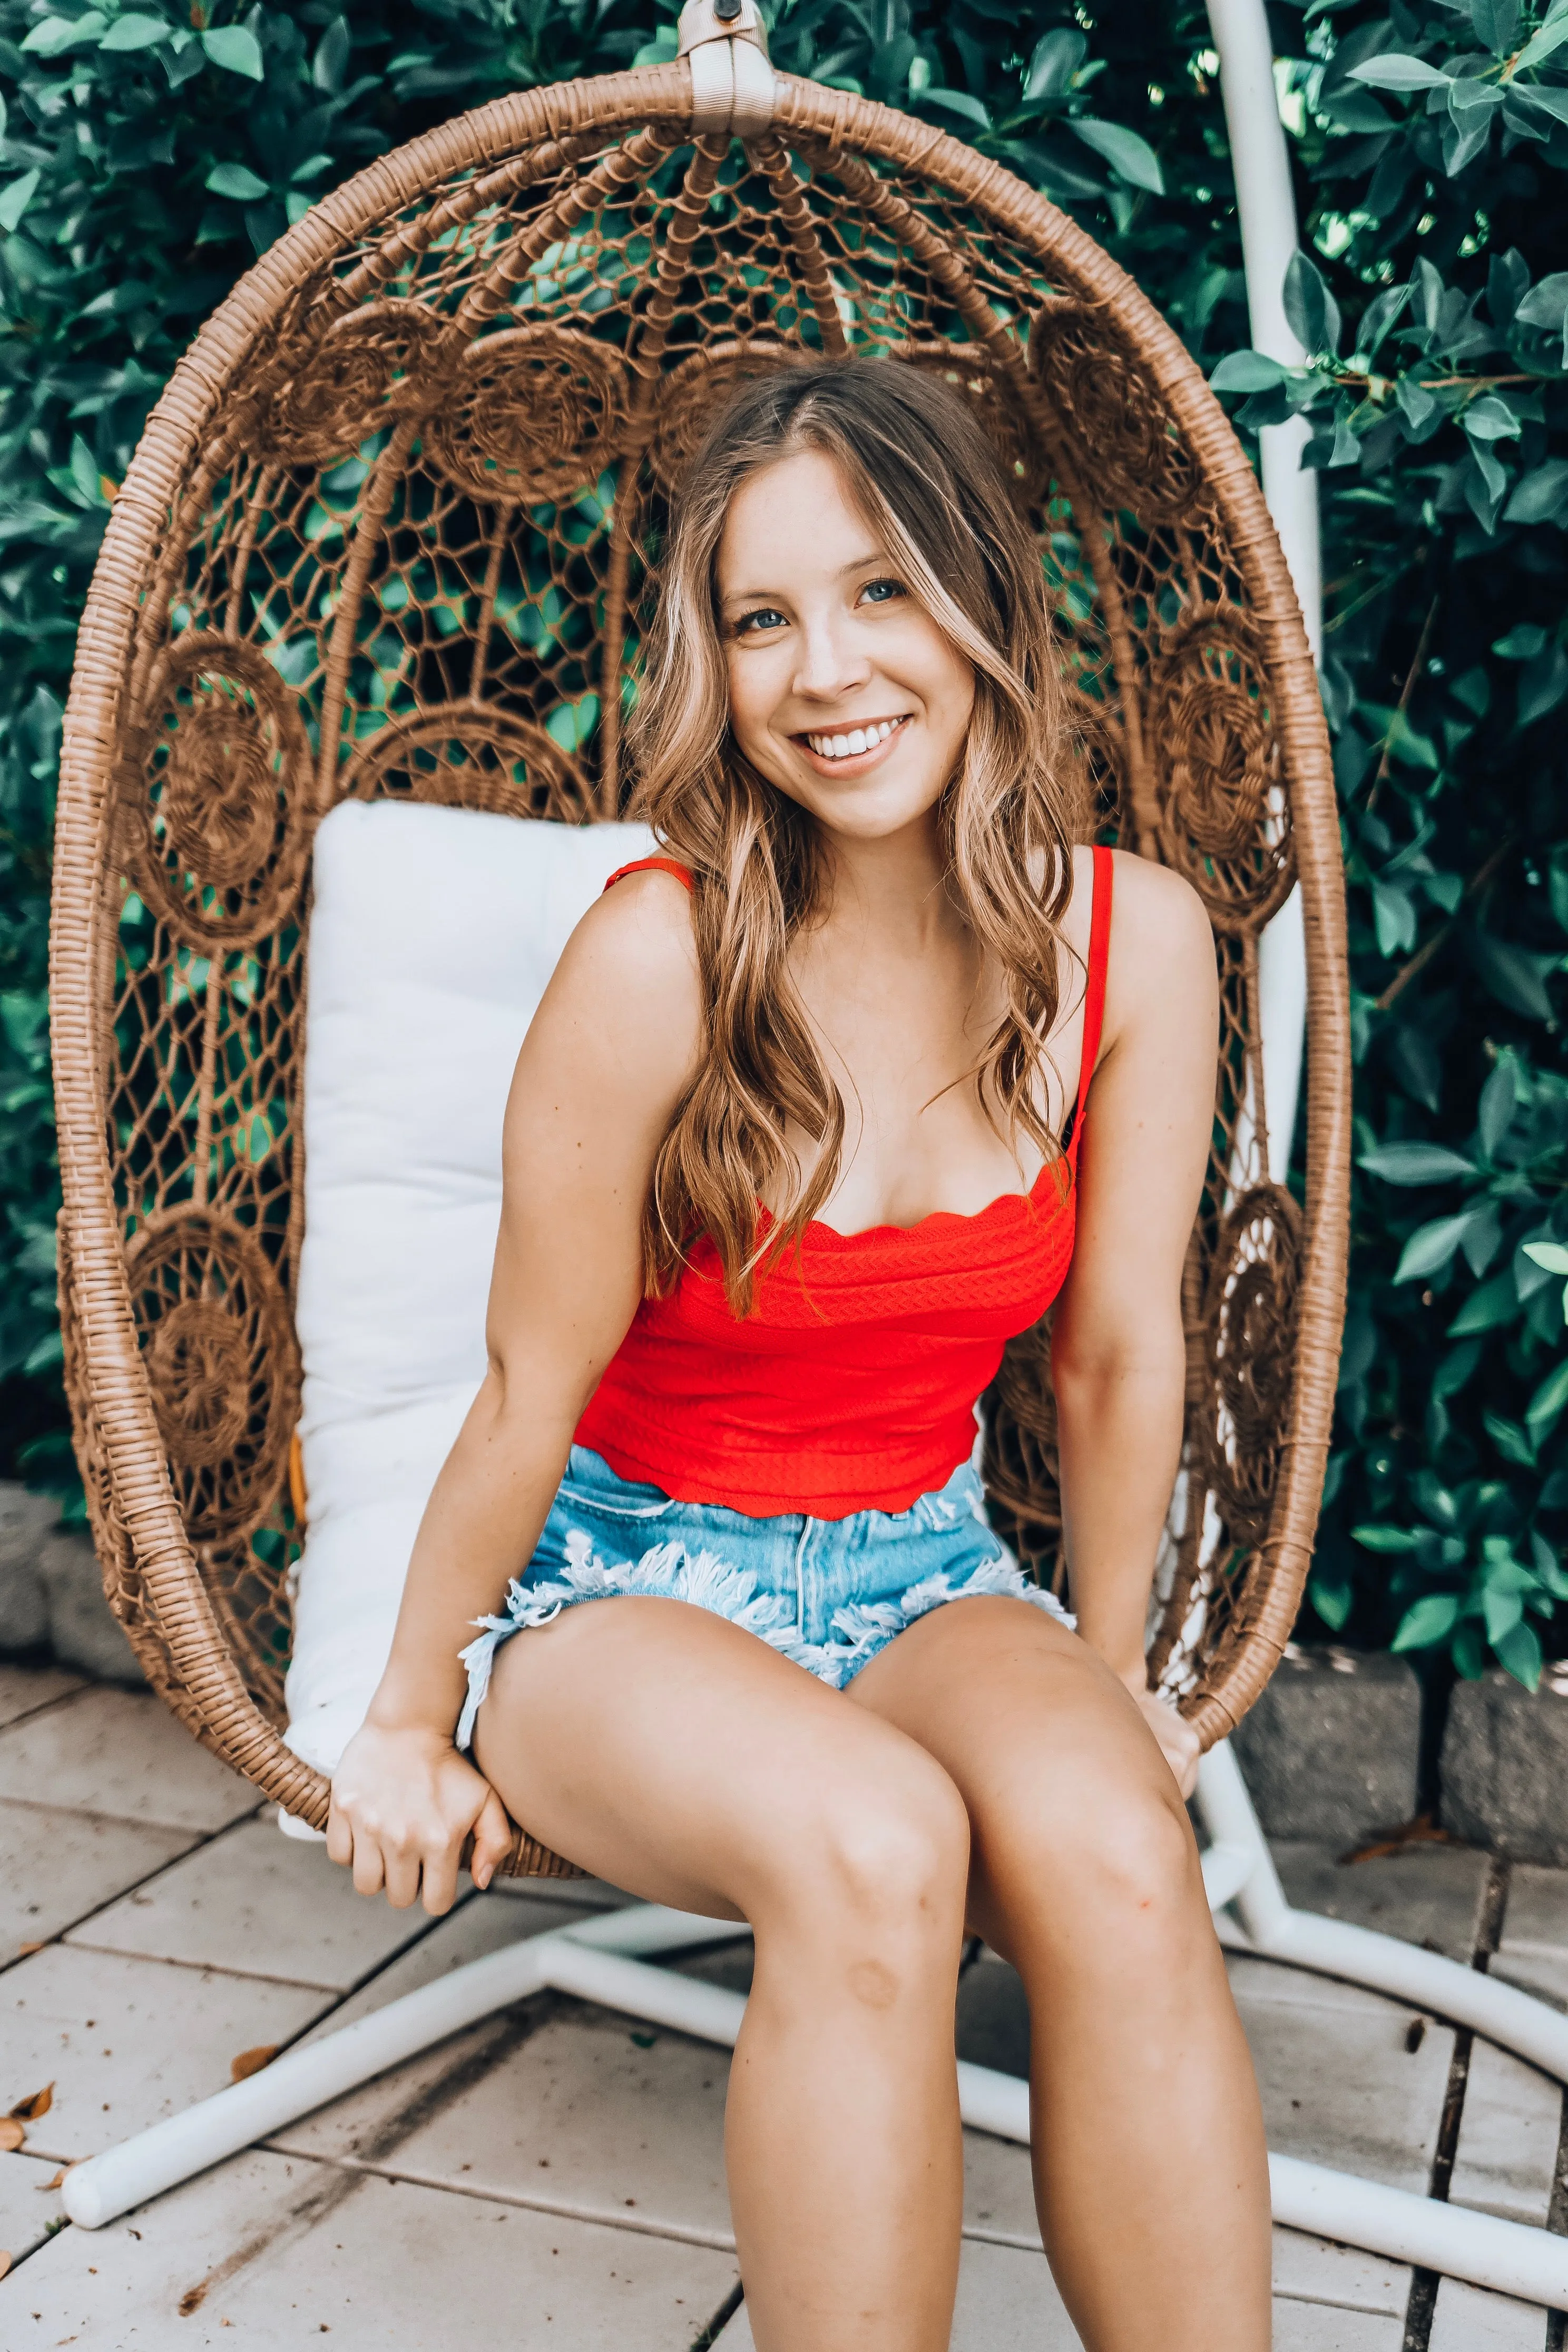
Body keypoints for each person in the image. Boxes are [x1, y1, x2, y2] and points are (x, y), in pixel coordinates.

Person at [326, 358, 1272, 2351]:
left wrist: (1108, 1694)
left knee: (1114, 1845)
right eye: (763, 619)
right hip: (624, 1590)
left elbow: (1116, 1359)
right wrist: (409, 1714)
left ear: (985, 608)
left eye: (882, 592)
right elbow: (525, 1385)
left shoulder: (1140, 946)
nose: (826, 669)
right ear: (713, 663)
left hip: (926, 1562)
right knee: (875, 1837)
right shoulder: (661, 955)